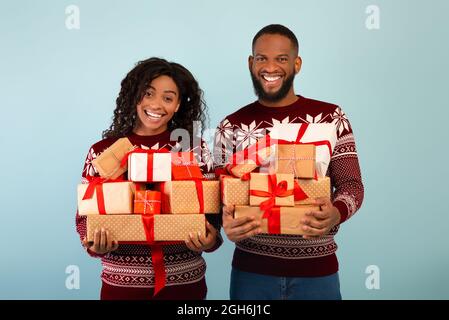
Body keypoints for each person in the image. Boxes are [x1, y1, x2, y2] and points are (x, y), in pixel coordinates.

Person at [214, 24, 364, 300]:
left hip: (318, 272)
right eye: (262, 58)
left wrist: (336, 212)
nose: (270, 67)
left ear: (297, 63)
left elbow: (352, 185)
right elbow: (216, 194)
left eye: (281, 59)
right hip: (251, 274)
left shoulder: (331, 117)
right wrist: (226, 223)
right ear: (251, 63)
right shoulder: (231, 125)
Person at [76, 57, 221, 300]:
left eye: (168, 97)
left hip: (184, 285)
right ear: (135, 96)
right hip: (122, 286)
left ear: (177, 105)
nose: (156, 104)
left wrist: (209, 240)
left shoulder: (194, 149)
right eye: (148, 93)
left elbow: (213, 216)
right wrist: (93, 243)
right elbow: (83, 217)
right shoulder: (103, 152)